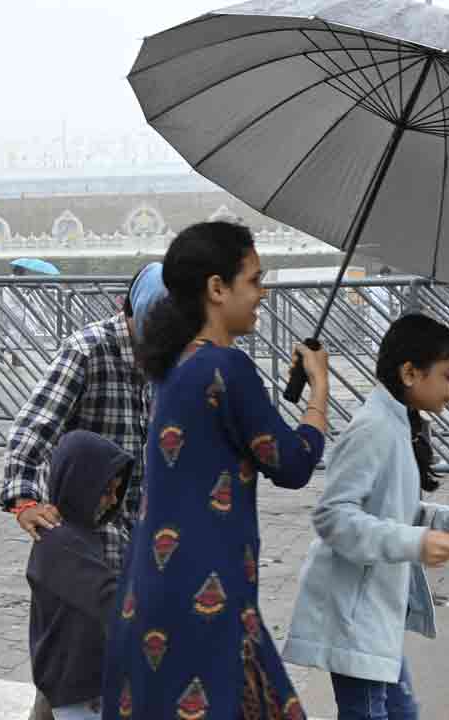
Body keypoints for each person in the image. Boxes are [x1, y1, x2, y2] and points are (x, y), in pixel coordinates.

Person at [101, 221, 330, 720]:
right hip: (208, 596)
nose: (262, 294)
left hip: (154, 588)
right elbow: (293, 464)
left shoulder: (174, 365)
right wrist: (318, 391)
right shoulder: (228, 368)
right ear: (217, 288)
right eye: (254, 280)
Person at [281, 313, 449, 720]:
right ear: (411, 372)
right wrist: (415, 542)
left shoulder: (398, 424)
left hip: (374, 610)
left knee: (401, 712)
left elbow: (391, 508)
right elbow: (333, 516)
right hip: (353, 612)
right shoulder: (374, 427)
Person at [0, 261, 168, 720]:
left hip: (135, 528)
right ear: (131, 309)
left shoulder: (164, 363)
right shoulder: (88, 350)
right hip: (82, 537)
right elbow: (33, 429)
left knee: (97, 668)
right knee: (69, 661)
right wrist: (25, 500)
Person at [27, 430, 133, 720]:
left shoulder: (82, 534)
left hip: (73, 682)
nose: (113, 500)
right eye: (106, 490)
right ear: (82, 485)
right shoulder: (59, 541)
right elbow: (107, 599)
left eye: (117, 490)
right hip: (76, 688)